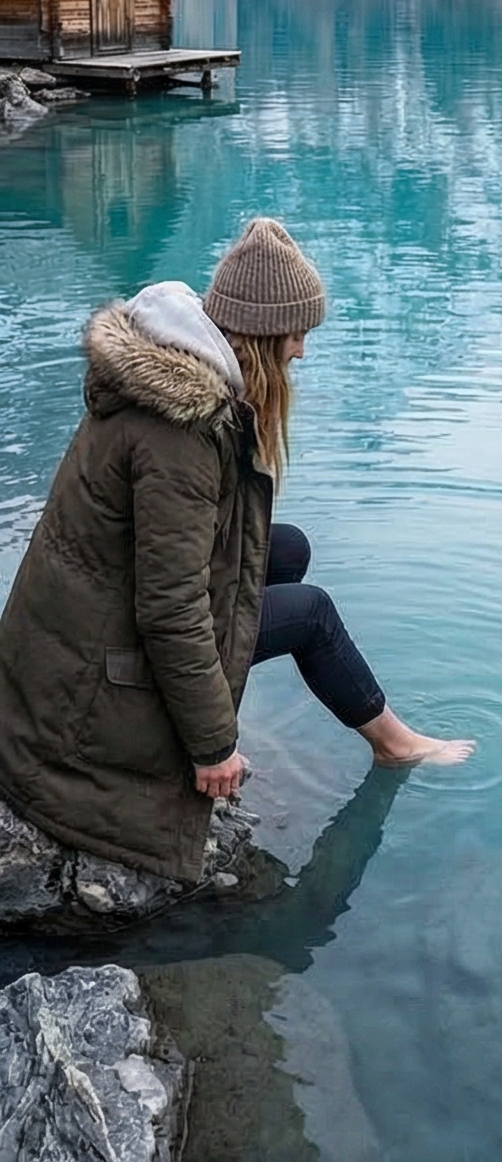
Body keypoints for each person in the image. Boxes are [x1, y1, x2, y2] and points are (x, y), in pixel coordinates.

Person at [0, 217, 472, 887]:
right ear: (258, 335)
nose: (302, 352)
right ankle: (396, 746)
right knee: (309, 613)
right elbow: (168, 607)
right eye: (295, 335)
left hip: (72, 644)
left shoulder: (167, 377)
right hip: (84, 699)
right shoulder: (180, 432)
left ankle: (254, 709)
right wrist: (214, 746)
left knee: (287, 551)